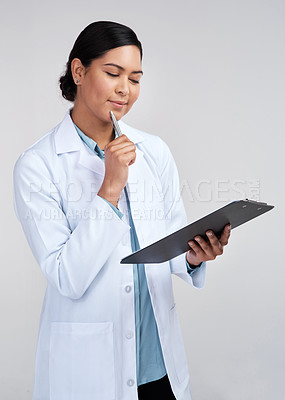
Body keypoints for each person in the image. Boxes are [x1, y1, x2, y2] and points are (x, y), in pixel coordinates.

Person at [13, 21, 231, 400]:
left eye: (135, 78)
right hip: (89, 369)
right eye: (113, 73)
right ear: (79, 71)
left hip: (157, 362)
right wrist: (110, 187)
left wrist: (194, 256)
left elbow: (171, 246)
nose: (124, 89)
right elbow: (67, 277)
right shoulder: (38, 164)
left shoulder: (154, 151)